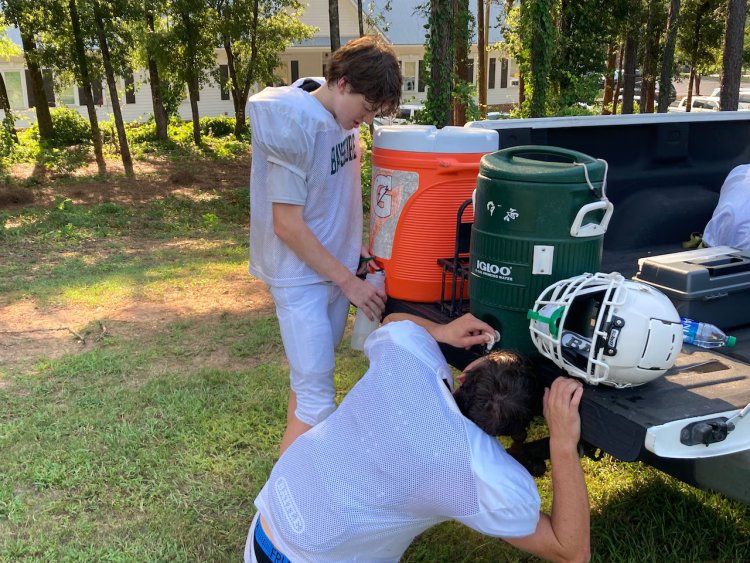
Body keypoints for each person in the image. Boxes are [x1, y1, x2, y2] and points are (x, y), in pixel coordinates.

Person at [244, 313, 591, 563]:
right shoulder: (480, 473)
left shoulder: (407, 356)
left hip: (266, 522)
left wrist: (441, 330)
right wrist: (562, 442)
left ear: (467, 374)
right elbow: (571, 551)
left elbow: (393, 322)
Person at [247, 36, 402, 453]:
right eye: (367, 109)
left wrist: (356, 251)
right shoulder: (294, 121)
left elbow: (331, 198)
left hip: (331, 273)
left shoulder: (335, 114)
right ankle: (280, 511)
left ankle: (290, 486)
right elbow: (287, 224)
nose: (366, 120)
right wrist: (349, 283)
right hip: (302, 280)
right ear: (344, 83)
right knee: (317, 403)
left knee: (307, 389)